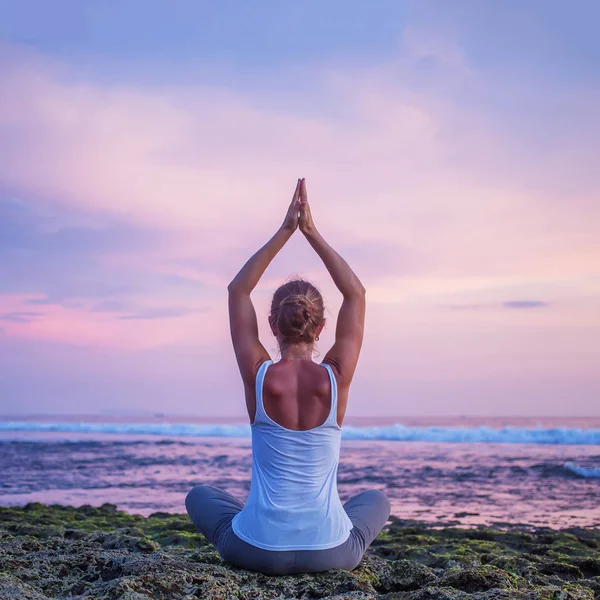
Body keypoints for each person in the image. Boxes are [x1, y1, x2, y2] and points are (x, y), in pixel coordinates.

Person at [186, 178, 390, 575]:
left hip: (256, 551)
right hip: (332, 553)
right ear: (320, 328)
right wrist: (311, 232)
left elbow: (237, 291)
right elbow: (357, 295)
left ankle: (266, 529)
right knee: (376, 499)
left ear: (271, 325)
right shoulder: (336, 378)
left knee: (200, 495)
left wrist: (285, 231)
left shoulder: (259, 376)